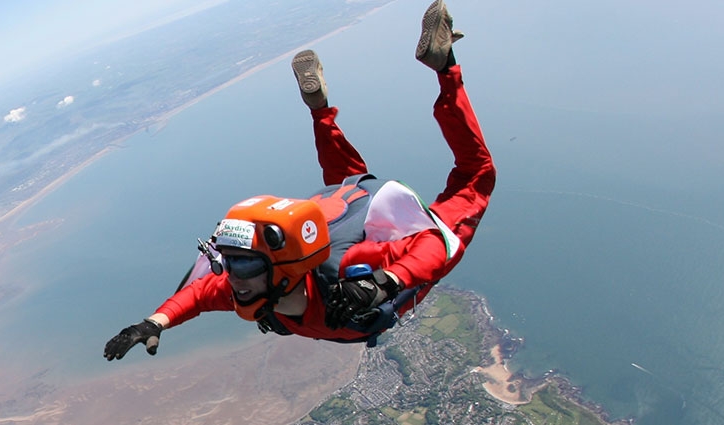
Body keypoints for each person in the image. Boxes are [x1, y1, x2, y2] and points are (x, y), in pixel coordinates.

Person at [104, 0, 496, 360]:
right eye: (231, 263)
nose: (231, 278)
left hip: (351, 219)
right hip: (340, 207)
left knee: (476, 177)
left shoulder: (345, 270)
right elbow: (199, 294)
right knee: (345, 179)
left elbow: (433, 243)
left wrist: (385, 282)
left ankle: (447, 68)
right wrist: (154, 322)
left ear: (281, 268)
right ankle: (321, 110)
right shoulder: (261, 282)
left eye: (240, 265)